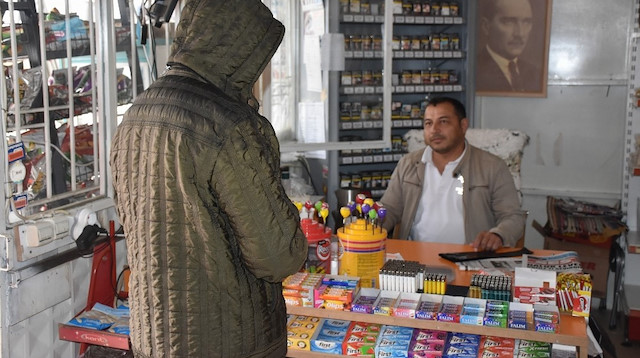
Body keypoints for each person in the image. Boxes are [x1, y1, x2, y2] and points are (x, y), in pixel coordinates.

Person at [109, 1, 308, 357]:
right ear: (242, 49)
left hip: (153, 336)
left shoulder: (136, 114)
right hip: (228, 340)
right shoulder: (230, 125)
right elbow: (278, 256)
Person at [379, 97, 524, 250]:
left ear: (463, 125)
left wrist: (498, 235)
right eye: (428, 123)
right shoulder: (408, 164)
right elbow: (389, 208)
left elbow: (513, 217)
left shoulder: (492, 167)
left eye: (443, 122)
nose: (434, 130)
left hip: (470, 258)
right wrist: (365, 224)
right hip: (415, 258)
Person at [476, 0, 542, 93]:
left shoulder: (536, 74)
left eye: (526, 22)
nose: (520, 33)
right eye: (509, 22)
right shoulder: (474, 72)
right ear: (486, 26)